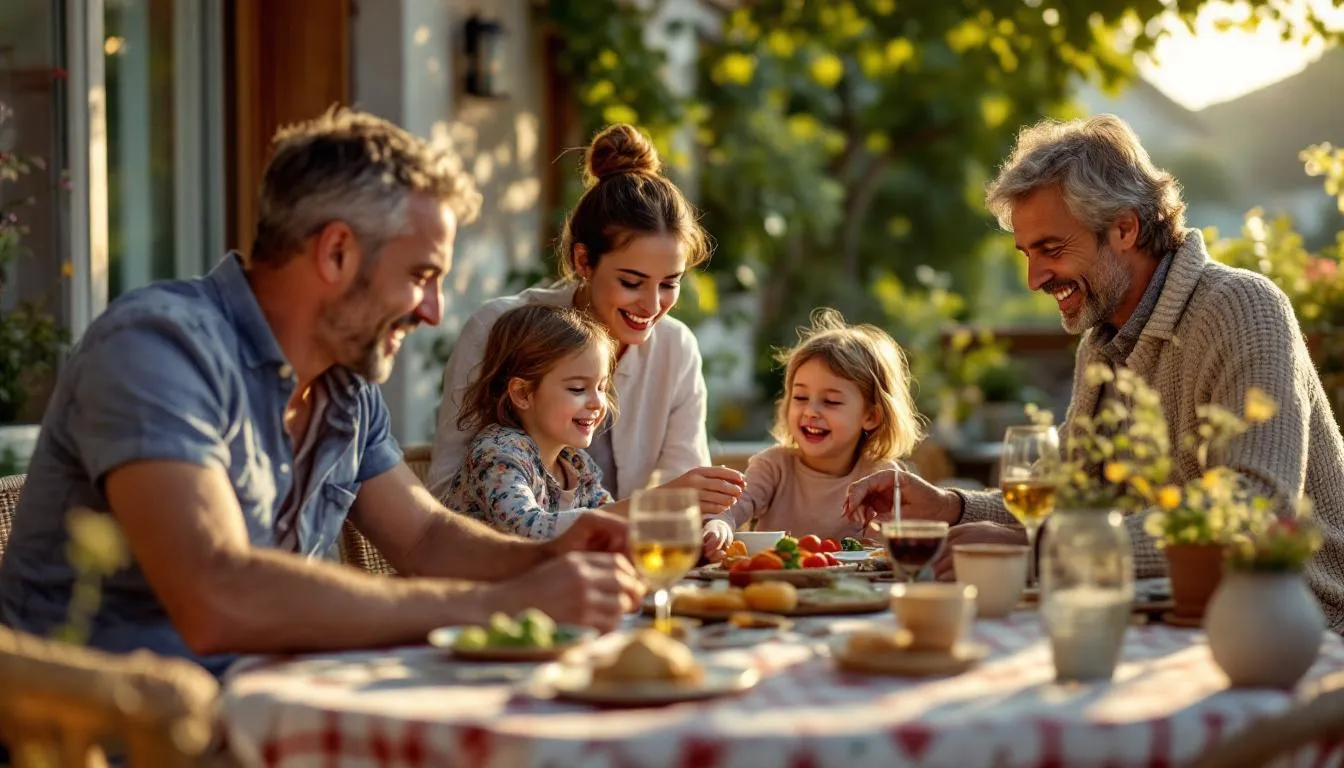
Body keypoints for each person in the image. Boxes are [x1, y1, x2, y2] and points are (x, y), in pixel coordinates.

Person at [0, 108, 644, 678]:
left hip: (279, 715)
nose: (432, 312)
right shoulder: (157, 349)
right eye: (421, 276)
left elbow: (424, 541)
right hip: (109, 740)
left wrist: (549, 553)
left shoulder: (345, 385)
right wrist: (501, 601)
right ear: (336, 253)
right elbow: (218, 595)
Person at [842, 114, 1344, 631]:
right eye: (1026, 253)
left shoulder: (1242, 307)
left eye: (1051, 249)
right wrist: (952, 507)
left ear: (1125, 228)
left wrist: (1042, 548)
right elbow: (1064, 497)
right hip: (1169, 618)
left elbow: (1253, 505)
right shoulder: (1102, 342)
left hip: (1295, 628)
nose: (1035, 278)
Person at [426, 123, 745, 516]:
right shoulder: (497, 327)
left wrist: (711, 525)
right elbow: (445, 500)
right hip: (503, 567)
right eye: (632, 282)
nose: (651, 306)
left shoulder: (676, 348)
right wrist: (657, 505)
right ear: (583, 261)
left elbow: (687, 505)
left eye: (669, 284)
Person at [705, 309, 923, 547]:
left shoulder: (879, 476)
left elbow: (896, 544)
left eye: (830, 401)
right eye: (800, 397)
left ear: (871, 416)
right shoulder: (773, 466)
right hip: (778, 581)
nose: (810, 411)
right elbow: (737, 507)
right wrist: (720, 524)